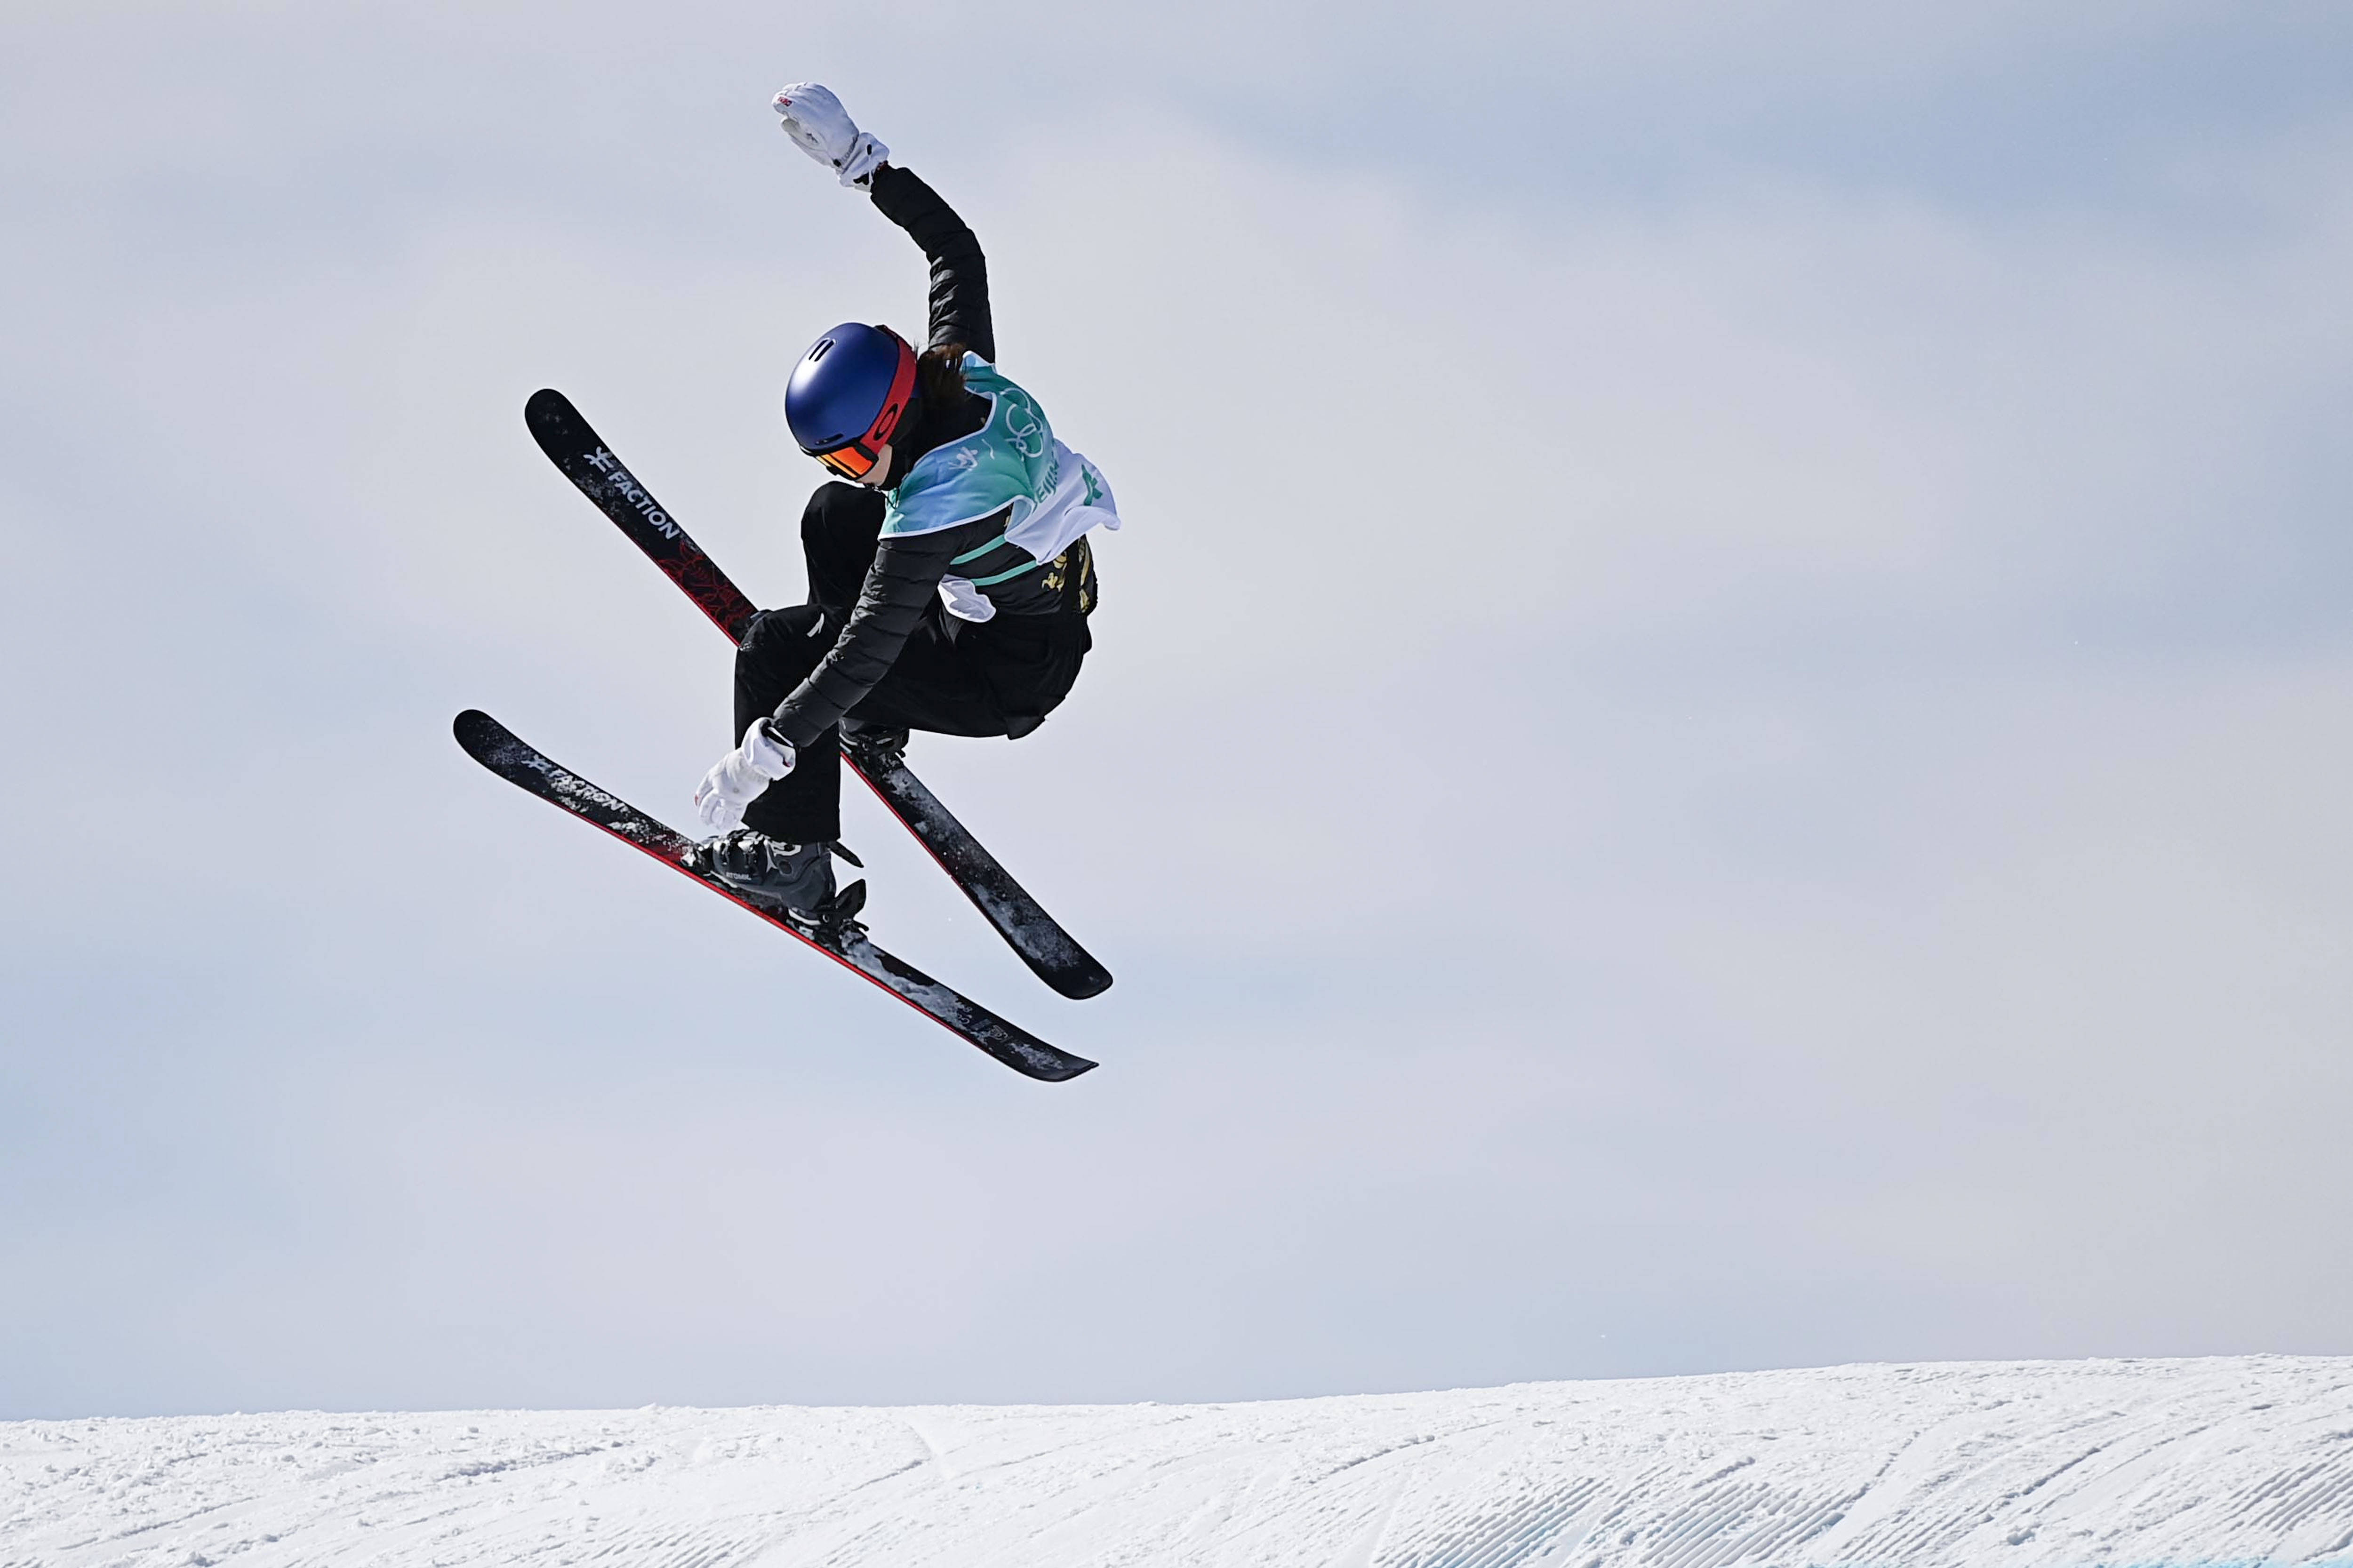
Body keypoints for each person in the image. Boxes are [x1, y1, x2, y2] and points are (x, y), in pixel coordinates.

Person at [689, 83, 1120, 929]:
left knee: (778, 648)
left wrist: (764, 757)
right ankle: (871, 730)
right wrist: (863, 163)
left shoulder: (940, 502)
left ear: (885, 418)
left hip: (1009, 679)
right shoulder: (957, 375)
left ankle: (790, 858)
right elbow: (957, 254)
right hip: (1008, 618)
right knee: (833, 517)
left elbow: (859, 655)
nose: (853, 471)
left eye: (850, 455)